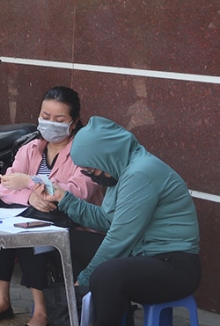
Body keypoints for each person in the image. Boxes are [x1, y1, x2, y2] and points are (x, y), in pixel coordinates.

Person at [39, 117, 201, 326]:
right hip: (142, 255)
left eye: (92, 170)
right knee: (64, 242)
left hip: (174, 266)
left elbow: (119, 238)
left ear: (106, 158)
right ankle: (75, 317)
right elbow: (108, 221)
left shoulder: (141, 174)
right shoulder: (120, 171)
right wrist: (65, 199)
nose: (93, 176)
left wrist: (84, 279)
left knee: (106, 275)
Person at [0, 86, 104, 326]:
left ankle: (40, 311)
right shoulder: (29, 148)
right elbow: (5, 187)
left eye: (59, 119)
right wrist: (31, 197)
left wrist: (29, 182)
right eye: (46, 117)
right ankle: (2, 300)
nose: (51, 123)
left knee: (32, 230)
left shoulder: (85, 152)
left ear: (73, 123)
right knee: (4, 223)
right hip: (35, 211)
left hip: (75, 224)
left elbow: (77, 191)